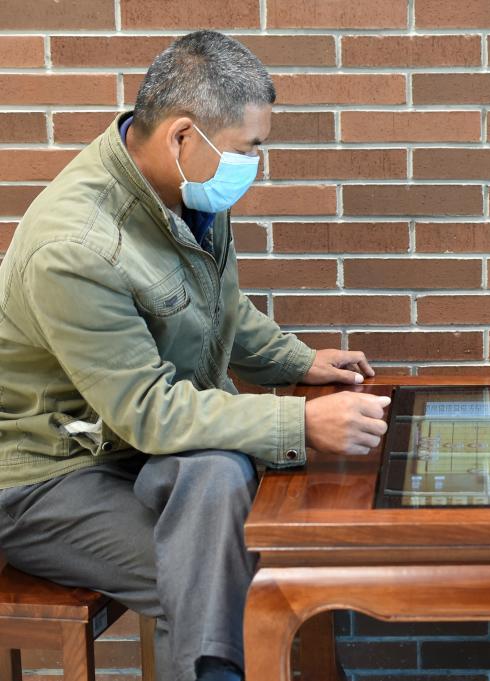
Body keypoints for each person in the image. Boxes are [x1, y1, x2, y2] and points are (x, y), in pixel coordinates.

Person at [0, 31, 389, 681]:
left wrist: (295, 360)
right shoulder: (75, 247)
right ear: (183, 136)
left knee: (218, 474)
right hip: (52, 477)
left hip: (146, 452)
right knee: (244, 569)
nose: (255, 163)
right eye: (249, 148)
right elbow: (148, 412)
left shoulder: (189, 189)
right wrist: (299, 425)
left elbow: (220, 311)